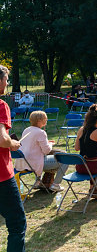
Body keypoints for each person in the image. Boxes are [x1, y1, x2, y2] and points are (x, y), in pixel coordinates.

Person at [0, 65, 26, 251]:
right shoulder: (1, 105)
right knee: (17, 224)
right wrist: (13, 144)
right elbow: (2, 140)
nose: (7, 83)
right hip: (1, 177)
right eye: (6, 79)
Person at [14, 111, 67, 192]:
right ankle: (56, 185)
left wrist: (47, 143)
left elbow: (32, 145)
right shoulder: (41, 132)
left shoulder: (27, 130)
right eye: (45, 119)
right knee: (65, 159)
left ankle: (42, 182)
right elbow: (46, 151)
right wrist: (50, 144)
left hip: (23, 162)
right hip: (33, 164)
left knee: (56, 157)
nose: (46, 120)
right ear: (39, 121)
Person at [74, 104, 97, 198]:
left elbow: (76, 148)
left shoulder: (81, 130)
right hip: (92, 167)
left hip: (80, 166)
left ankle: (93, 187)